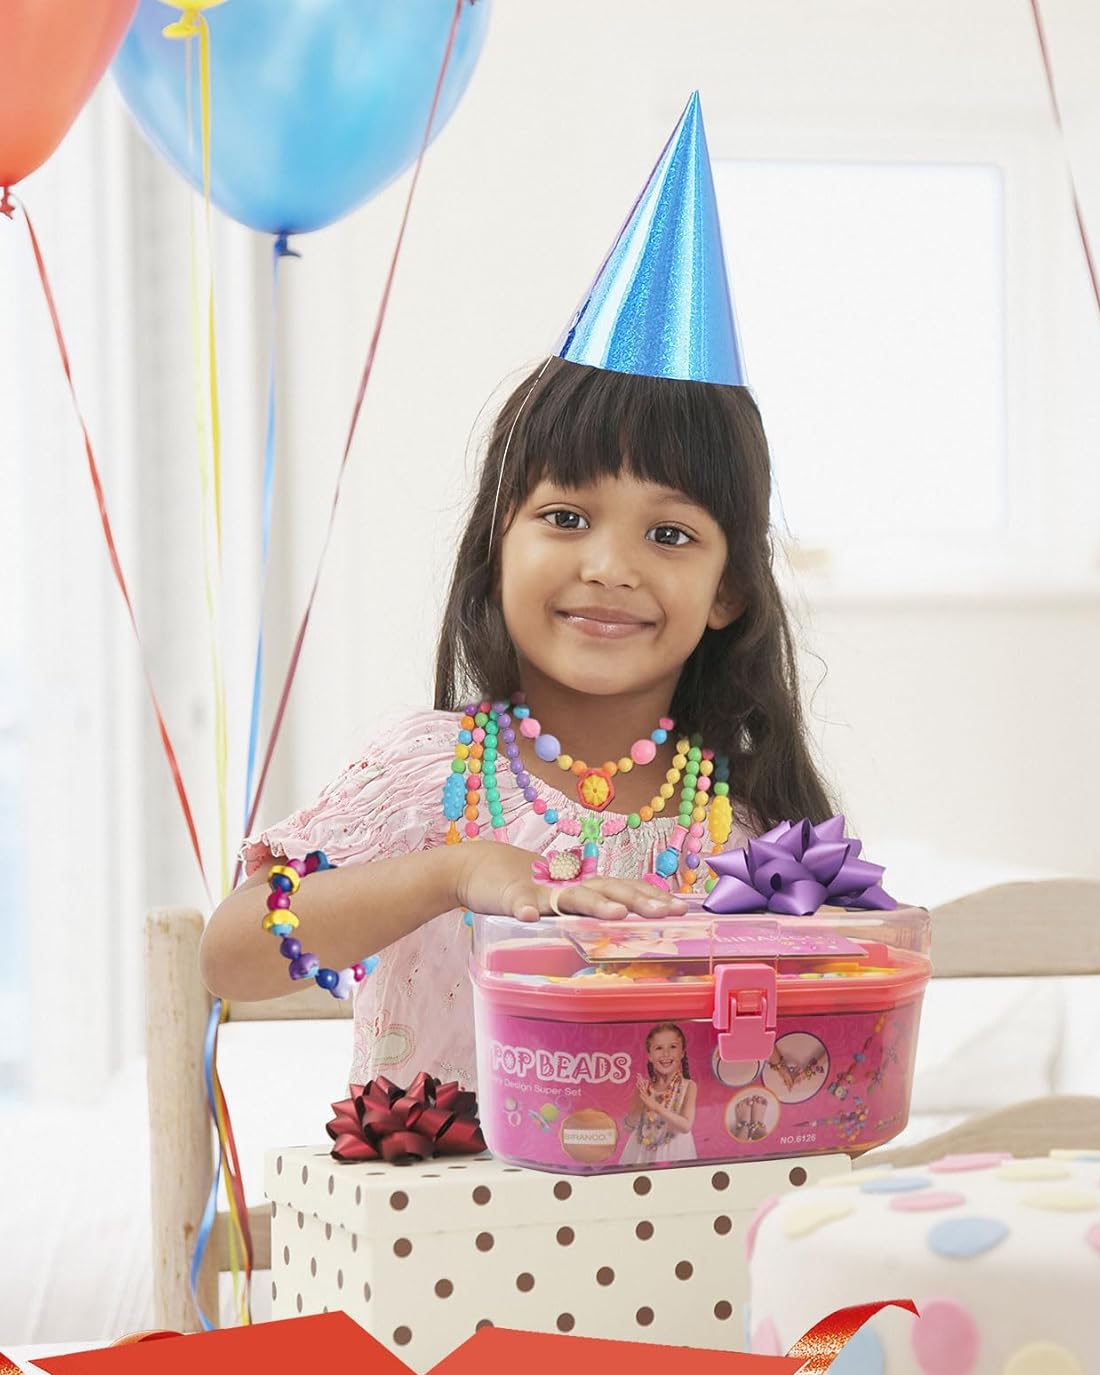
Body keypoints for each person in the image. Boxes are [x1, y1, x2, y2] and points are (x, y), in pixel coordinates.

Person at [198, 96, 833, 1090]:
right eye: (566, 517)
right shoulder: (431, 777)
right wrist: (451, 871)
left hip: (670, 1190)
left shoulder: (737, 826)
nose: (609, 566)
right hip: (447, 1188)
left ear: (730, 593)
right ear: (498, 543)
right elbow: (232, 954)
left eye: (669, 534)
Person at [621, 1023, 698, 1164]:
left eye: (673, 1047)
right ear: (650, 1056)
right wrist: (641, 1102)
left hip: (675, 1150)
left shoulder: (688, 1086)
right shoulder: (644, 1088)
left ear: (682, 1053)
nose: (666, 1054)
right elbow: (629, 1125)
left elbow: (686, 1126)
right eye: (659, 1048)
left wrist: (656, 1107)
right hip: (642, 1150)